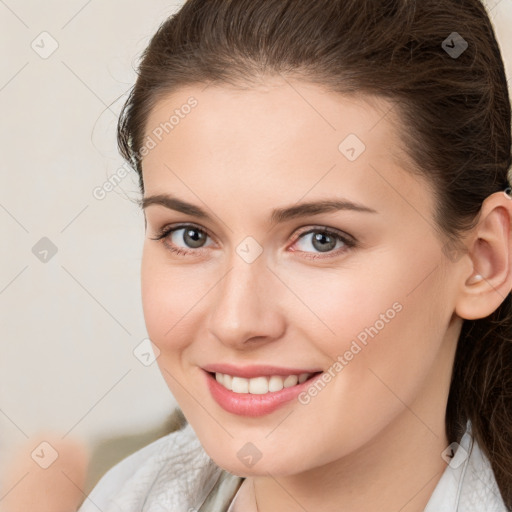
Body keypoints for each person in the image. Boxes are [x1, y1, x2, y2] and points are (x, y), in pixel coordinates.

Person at [78, 0, 512, 510]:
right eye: (190, 235)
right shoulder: (123, 496)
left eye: (320, 239)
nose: (236, 322)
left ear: (484, 261)